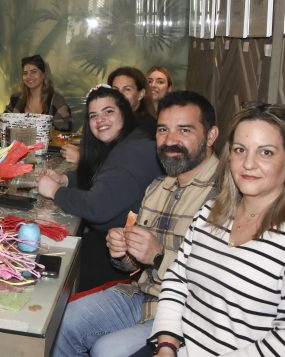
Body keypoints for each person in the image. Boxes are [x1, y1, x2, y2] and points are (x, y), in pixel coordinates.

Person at [52, 91, 220, 357]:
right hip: (142, 295)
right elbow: (133, 266)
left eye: (184, 130)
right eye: (163, 130)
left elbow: (218, 281)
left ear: (211, 136)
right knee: (61, 322)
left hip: (189, 312)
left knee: (108, 350)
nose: (170, 140)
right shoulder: (158, 186)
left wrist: (158, 256)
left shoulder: (225, 196)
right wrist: (123, 251)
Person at [150, 103, 285, 357]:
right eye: (240, 150)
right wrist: (167, 346)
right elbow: (177, 279)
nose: (248, 164)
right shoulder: (209, 213)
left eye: (266, 152)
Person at [37, 84, 162, 291]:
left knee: (51, 270)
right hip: (116, 242)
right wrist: (65, 180)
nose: (100, 120)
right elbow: (103, 178)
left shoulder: (131, 153)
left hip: (130, 261)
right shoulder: (128, 141)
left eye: (108, 112)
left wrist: (54, 191)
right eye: (93, 115)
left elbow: (97, 208)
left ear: (124, 113)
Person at [6, 54, 72, 131]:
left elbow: (65, 128)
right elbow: (4, 124)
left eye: (34, 72)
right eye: (25, 73)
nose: (29, 76)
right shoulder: (15, 99)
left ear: (43, 74)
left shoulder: (56, 100)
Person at [108, 66, 157, 135]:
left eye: (127, 89)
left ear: (141, 94)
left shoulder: (147, 128)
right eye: (115, 90)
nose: (120, 94)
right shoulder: (108, 122)